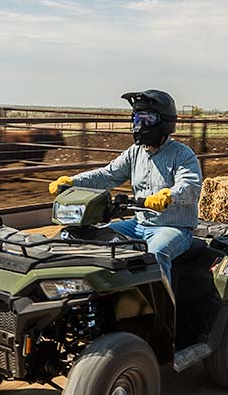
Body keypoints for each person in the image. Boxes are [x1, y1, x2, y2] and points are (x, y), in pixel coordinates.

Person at [48, 89, 201, 280]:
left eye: (148, 119)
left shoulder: (182, 154)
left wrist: (168, 195)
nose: (140, 125)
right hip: (137, 224)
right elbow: (107, 175)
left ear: (165, 121)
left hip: (172, 227)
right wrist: (72, 181)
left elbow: (191, 186)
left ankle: (163, 308)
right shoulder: (135, 152)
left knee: (154, 255)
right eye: (137, 118)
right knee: (93, 241)